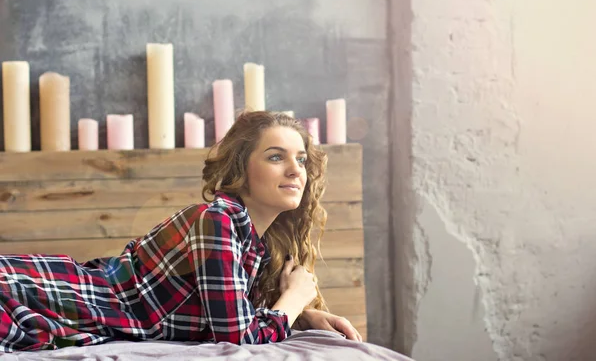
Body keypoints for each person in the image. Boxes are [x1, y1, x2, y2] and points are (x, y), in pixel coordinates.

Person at [0, 110, 362, 352]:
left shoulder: (254, 245)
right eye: (275, 156)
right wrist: (294, 301)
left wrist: (302, 317)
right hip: (33, 295)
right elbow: (238, 339)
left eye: (300, 158)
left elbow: (234, 313)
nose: (296, 169)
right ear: (241, 169)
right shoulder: (215, 221)